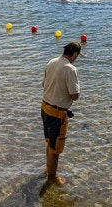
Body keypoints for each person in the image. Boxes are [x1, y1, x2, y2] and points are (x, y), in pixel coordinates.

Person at [42, 41, 81, 184]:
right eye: (77, 56)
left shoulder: (51, 61)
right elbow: (74, 96)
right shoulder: (70, 69)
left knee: (50, 143)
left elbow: (43, 84)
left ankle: (48, 169)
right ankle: (52, 178)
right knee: (56, 149)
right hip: (57, 114)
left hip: (45, 107)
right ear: (74, 55)